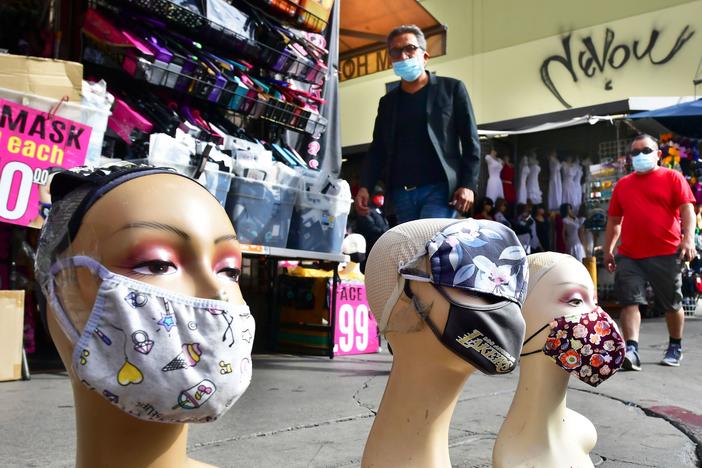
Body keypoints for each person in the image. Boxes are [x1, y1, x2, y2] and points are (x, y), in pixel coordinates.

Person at [355, 24, 480, 223]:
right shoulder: (388, 103)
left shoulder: (452, 89)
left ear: (425, 56)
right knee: (410, 252)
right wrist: (365, 186)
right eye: (395, 51)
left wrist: (468, 184)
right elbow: (377, 149)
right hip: (400, 193)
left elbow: (470, 139)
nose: (403, 56)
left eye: (410, 49)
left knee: (430, 245)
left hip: (440, 189)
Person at [603, 134, 696, 370]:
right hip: (630, 255)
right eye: (634, 152)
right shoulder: (623, 185)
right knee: (629, 302)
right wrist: (608, 250)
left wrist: (688, 240)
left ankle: (675, 345)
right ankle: (631, 350)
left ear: (658, 154)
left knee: (672, 304)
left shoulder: (672, 177)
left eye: (645, 150)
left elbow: (688, 211)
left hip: (666, 252)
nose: (639, 156)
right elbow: (614, 222)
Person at [354, 186, 389, 272]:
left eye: (381, 195)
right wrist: (386, 234)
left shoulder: (380, 211)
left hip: (380, 250)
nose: (380, 197)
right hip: (369, 249)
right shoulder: (366, 211)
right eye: (378, 195)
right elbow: (370, 229)